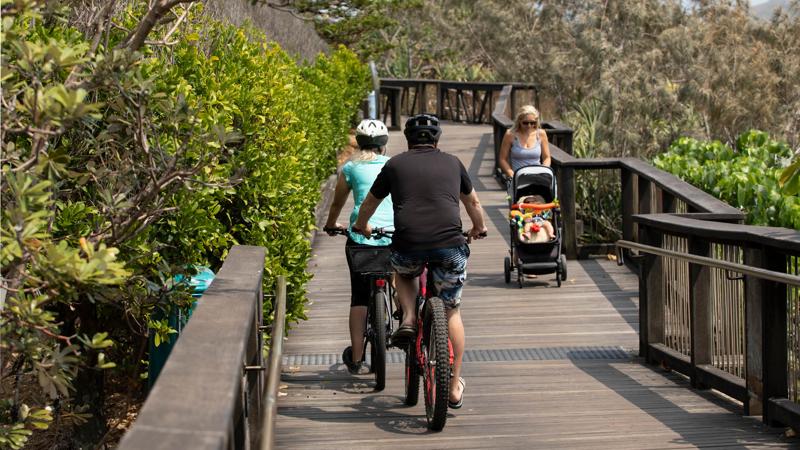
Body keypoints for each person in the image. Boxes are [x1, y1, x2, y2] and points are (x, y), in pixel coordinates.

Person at [352, 114, 488, 410]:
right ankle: (453, 387)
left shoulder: (395, 165)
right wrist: (478, 228)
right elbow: (473, 203)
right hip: (450, 246)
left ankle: (410, 318)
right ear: (437, 139)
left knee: (403, 273)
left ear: (408, 141)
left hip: (409, 244)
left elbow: (370, 203)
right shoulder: (454, 163)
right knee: (452, 311)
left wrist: (362, 225)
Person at [324, 119, 394, 375]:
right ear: (384, 143)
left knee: (359, 295)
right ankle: (401, 309)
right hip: (391, 235)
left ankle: (355, 356)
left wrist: (332, 224)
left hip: (360, 237)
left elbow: (336, 203)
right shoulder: (392, 166)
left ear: (359, 142)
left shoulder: (351, 168)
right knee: (398, 273)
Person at [498, 104, 551, 178]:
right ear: (519, 121)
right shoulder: (510, 134)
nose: (529, 126)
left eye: (532, 123)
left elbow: (547, 157)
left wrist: (543, 170)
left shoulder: (541, 134)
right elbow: (502, 159)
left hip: (537, 177)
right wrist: (511, 173)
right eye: (525, 123)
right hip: (518, 178)